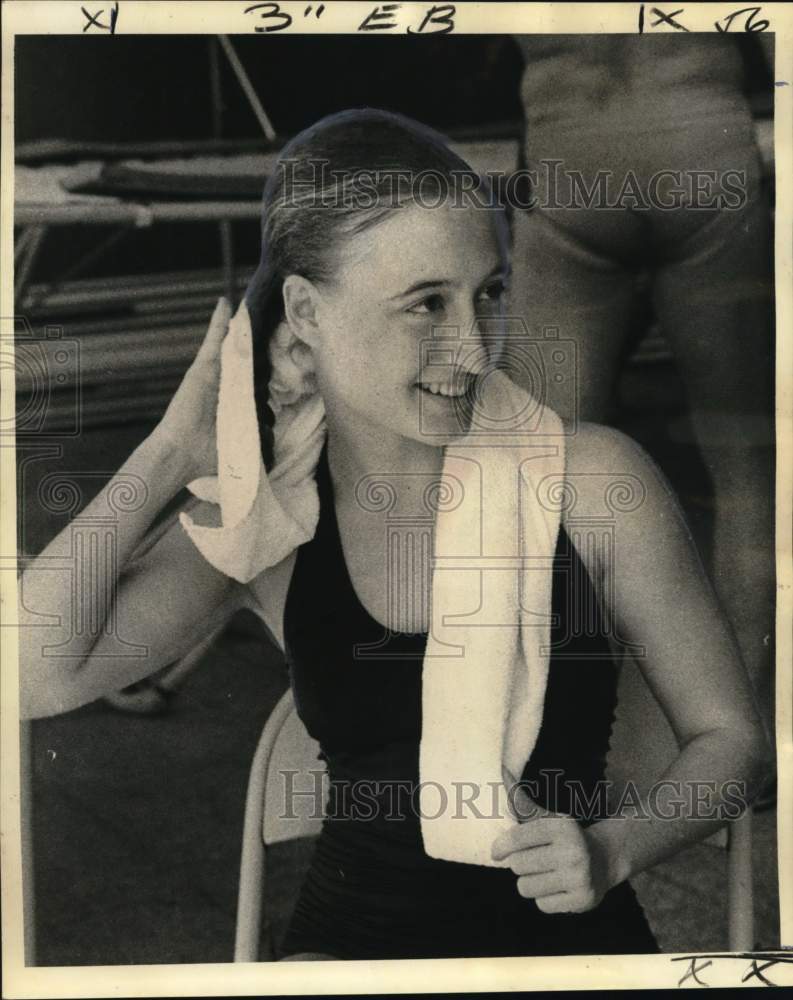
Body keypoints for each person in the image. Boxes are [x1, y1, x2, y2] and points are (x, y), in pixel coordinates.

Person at [18, 109, 771, 961]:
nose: (474, 349)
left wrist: (613, 849)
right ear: (304, 309)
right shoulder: (278, 515)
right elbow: (34, 674)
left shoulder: (592, 483)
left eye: (487, 293)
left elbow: (732, 743)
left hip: (569, 952)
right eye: (425, 305)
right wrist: (169, 452)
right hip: (349, 951)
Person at [508, 34, 776, 764]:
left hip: (574, 156)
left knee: (533, 477)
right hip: (698, 147)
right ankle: (741, 742)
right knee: (747, 475)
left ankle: (538, 744)